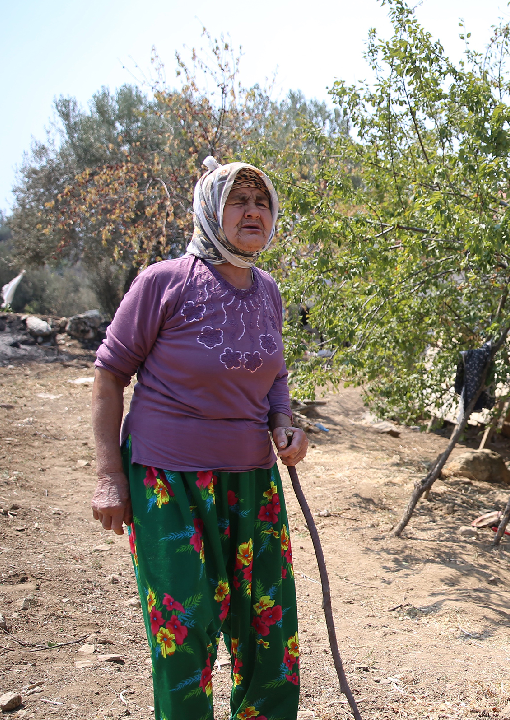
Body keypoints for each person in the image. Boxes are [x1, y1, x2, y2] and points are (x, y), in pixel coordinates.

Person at [89, 156, 308, 720]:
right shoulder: (164, 282)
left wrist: (286, 424)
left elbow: (274, 377)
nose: (253, 211)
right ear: (211, 211)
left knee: (270, 632)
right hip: (170, 484)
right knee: (183, 635)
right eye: (239, 200)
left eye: (261, 201)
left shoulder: (269, 292)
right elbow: (110, 374)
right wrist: (110, 477)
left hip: (252, 483)